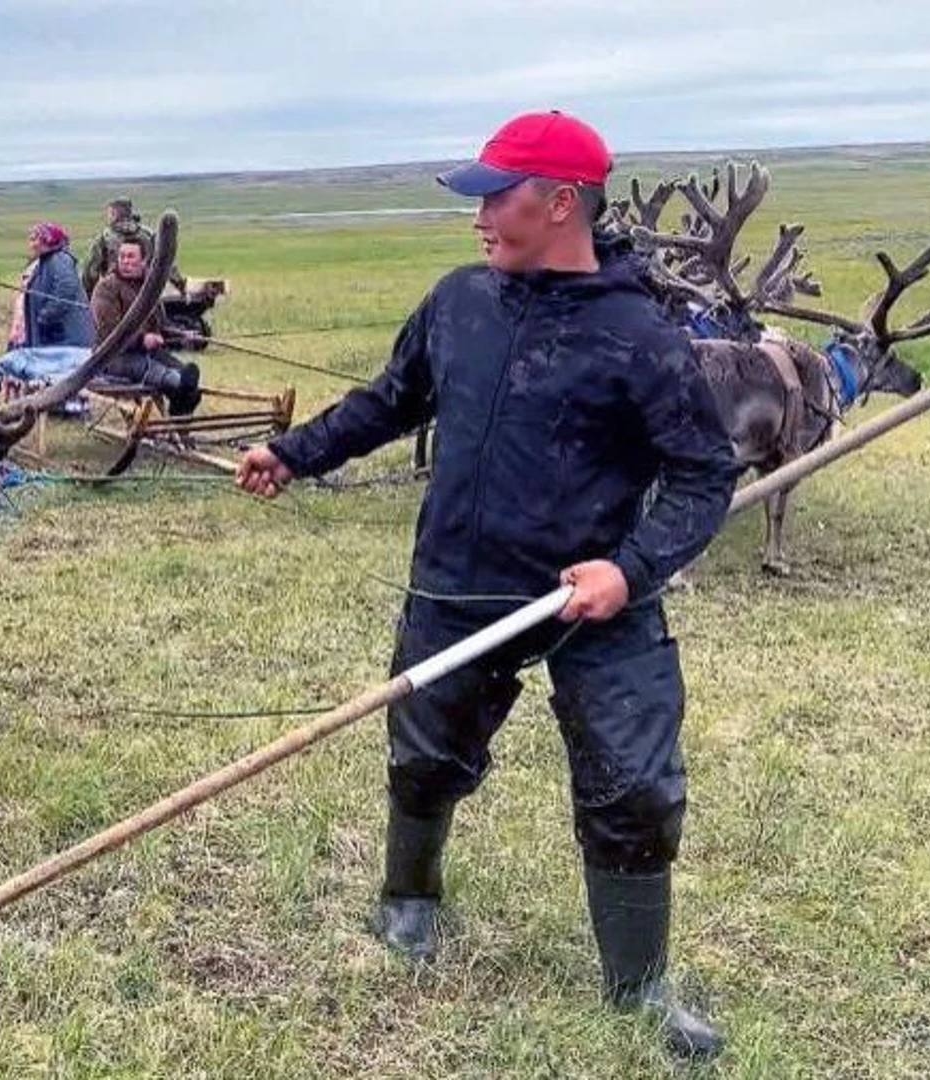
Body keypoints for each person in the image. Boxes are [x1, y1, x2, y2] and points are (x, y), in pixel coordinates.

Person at [235, 110, 741, 1062]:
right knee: (424, 755)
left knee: (635, 785)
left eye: (493, 198)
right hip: (458, 589)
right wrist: (292, 455)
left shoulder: (642, 337)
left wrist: (627, 574)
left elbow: (704, 475)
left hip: (587, 603)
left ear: (560, 204)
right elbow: (393, 399)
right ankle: (410, 900)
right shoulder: (459, 300)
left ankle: (639, 988)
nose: (476, 218)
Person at [90, 239, 201, 416]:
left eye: (131, 256)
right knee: (174, 380)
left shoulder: (149, 287)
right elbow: (108, 333)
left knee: (192, 389)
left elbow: (161, 325)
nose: (125, 261)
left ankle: (177, 427)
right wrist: (142, 340)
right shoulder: (106, 288)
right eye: (122, 257)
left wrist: (182, 334)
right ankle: (173, 429)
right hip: (112, 357)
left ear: (143, 261)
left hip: (148, 353)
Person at [82, 196, 186, 297]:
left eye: (110, 213)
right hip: (146, 293)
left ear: (114, 213)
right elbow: (166, 263)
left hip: (113, 294)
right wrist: (180, 285)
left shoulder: (104, 238)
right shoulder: (148, 235)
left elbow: (90, 273)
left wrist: (89, 296)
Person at [15, 222, 94, 349]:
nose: (32, 245)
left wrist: (47, 315)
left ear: (48, 240)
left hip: (66, 336)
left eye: (36, 239)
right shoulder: (45, 262)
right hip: (55, 336)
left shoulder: (60, 259)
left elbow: (66, 287)